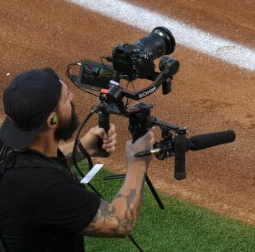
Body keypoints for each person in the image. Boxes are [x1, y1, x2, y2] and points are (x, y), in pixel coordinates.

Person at [0, 67, 155, 251]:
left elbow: (34, 164)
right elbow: (119, 222)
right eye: (66, 99)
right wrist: (138, 163)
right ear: (52, 120)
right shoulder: (45, 188)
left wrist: (81, 148)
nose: (72, 97)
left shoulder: (8, 147)